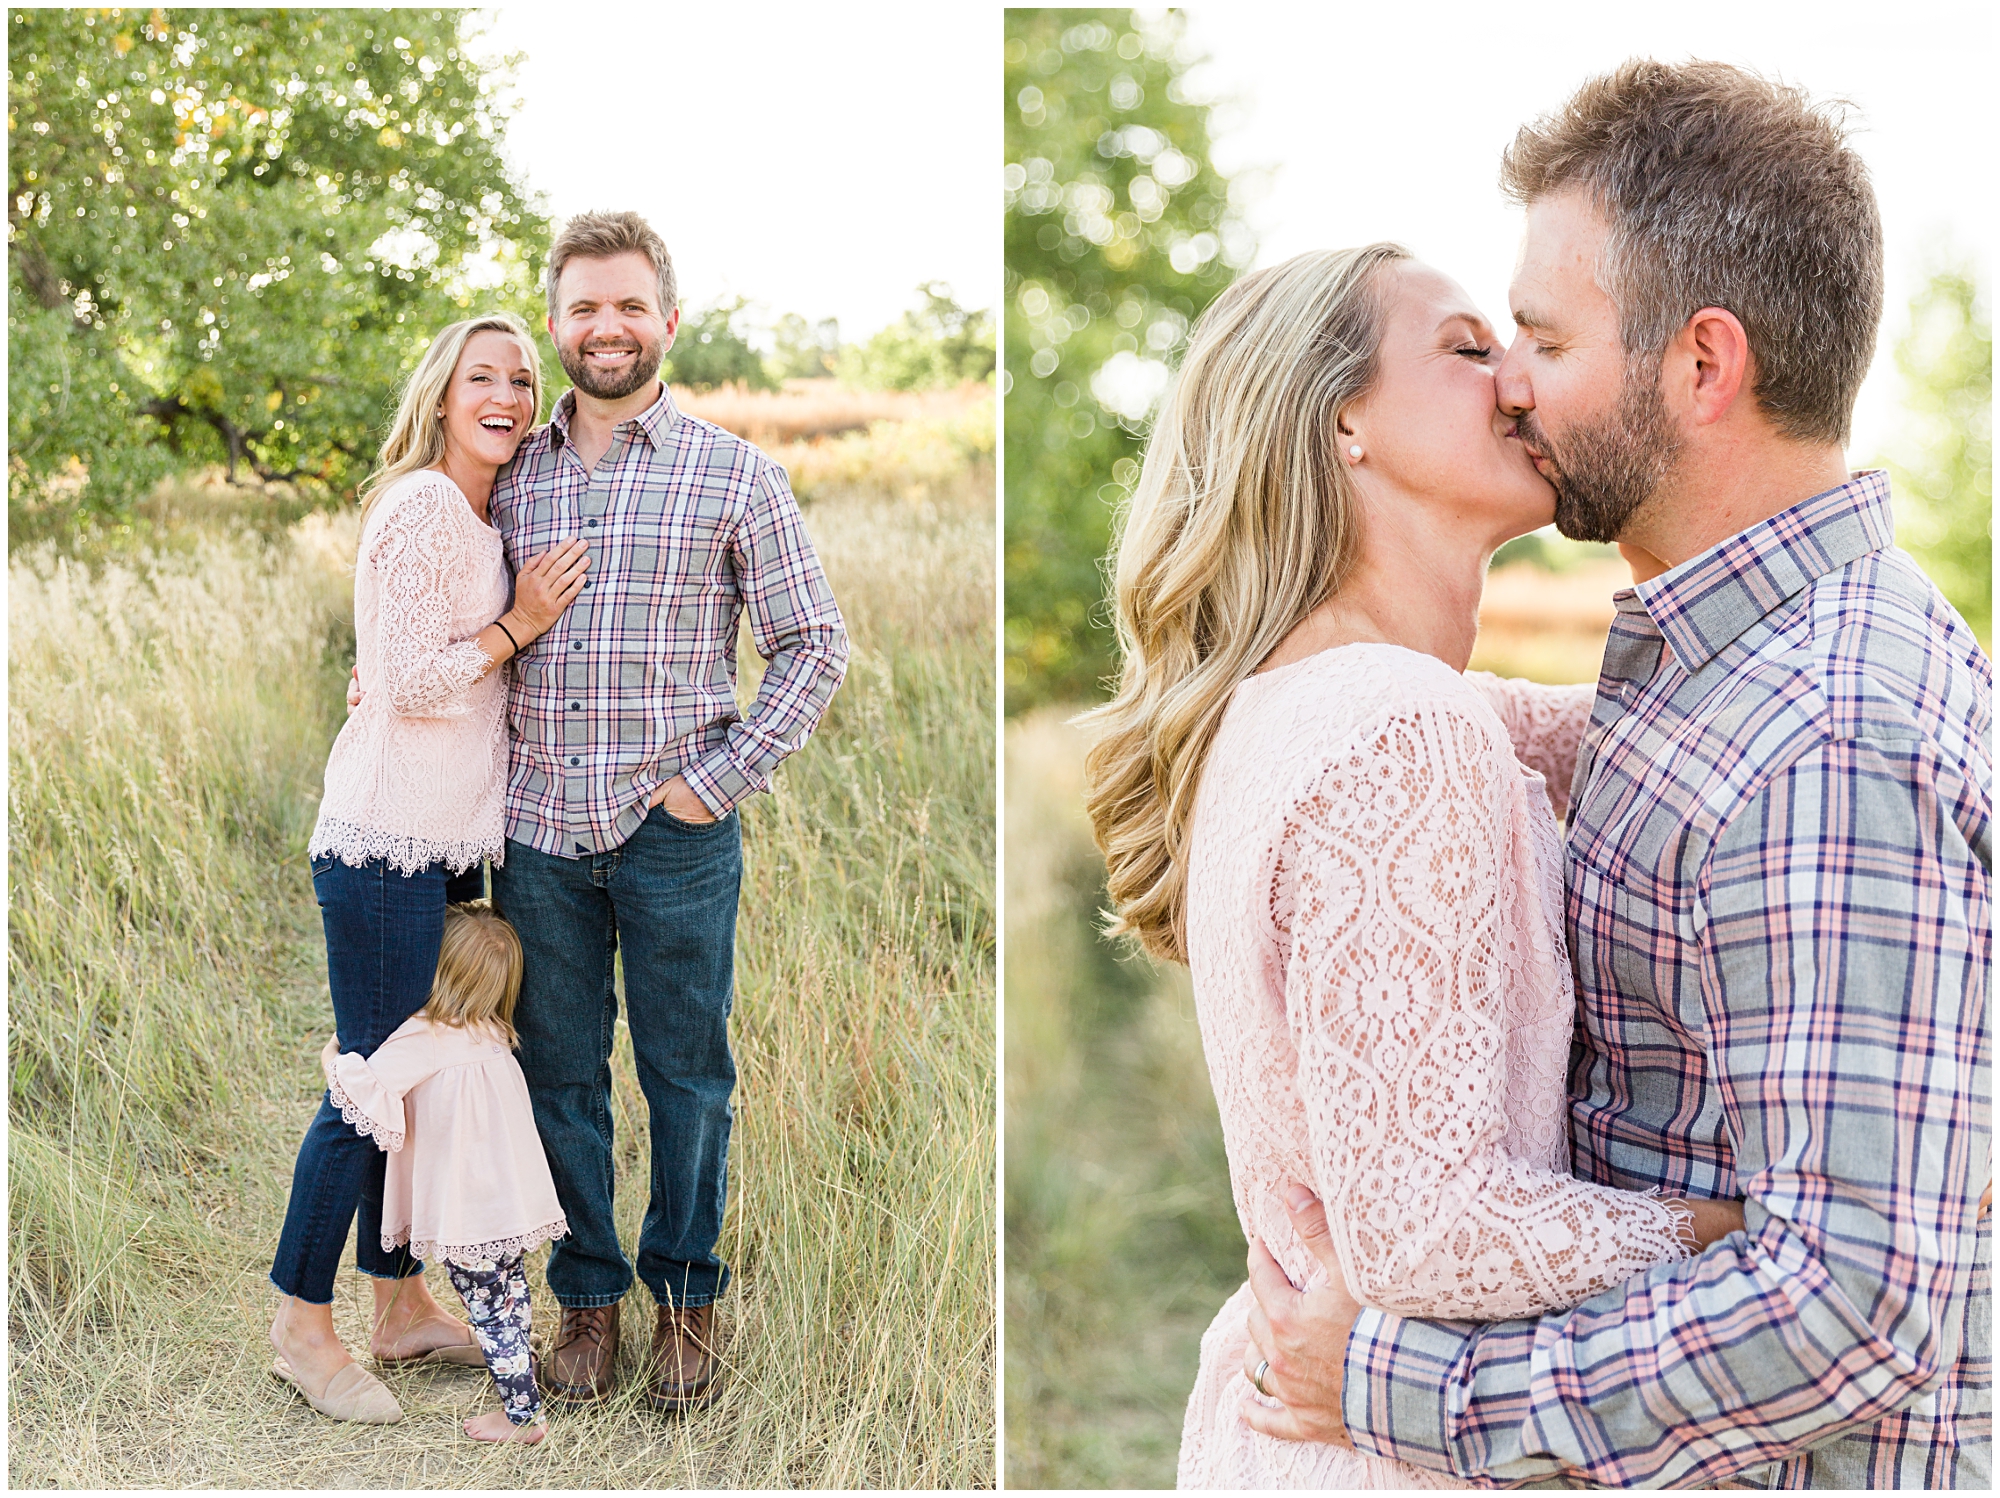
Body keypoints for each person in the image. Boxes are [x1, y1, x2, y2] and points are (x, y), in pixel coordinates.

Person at [1236, 61, 1990, 1489]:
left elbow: (1851, 1301)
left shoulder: (1823, 735)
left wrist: (1405, 1384)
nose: (1509, 380)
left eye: (1541, 335)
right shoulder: (1718, 675)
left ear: (1702, 366)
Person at [1081, 241, 1749, 1490]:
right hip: (1392, 1448)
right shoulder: (1398, 726)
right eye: (1464, 348)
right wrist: (1765, 1240)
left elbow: (1659, 737)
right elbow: (1427, 1229)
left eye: (1519, 347)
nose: (1517, 385)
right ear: (1345, 423)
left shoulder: (1306, 700)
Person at [487, 211, 849, 1412]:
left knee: (688, 1075)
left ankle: (687, 1300)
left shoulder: (735, 474)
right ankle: (586, 1302)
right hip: (535, 829)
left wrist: (718, 781)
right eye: (584, 306)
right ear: (555, 321)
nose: (607, 326)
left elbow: (812, 645)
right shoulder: (507, 475)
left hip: (673, 835)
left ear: (668, 322)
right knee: (561, 1076)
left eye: (630, 305)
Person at [270, 312, 590, 1425]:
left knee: (415, 1078)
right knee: (372, 1082)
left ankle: (399, 1308)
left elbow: (403, 669)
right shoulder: (418, 505)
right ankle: (301, 1328)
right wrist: (519, 624)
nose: (504, 394)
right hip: (379, 844)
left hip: (443, 846)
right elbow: (408, 680)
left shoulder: (479, 515)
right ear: (442, 394)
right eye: (481, 376)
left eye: (521, 378)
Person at [323, 901, 567, 1444]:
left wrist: (335, 1056)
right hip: (511, 1202)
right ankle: (522, 1379)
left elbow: (364, 1091)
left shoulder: (425, 1036)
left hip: (468, 1211)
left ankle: (521, 1417)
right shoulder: (496, 1034)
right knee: (510, 1297)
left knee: (487, 1309)